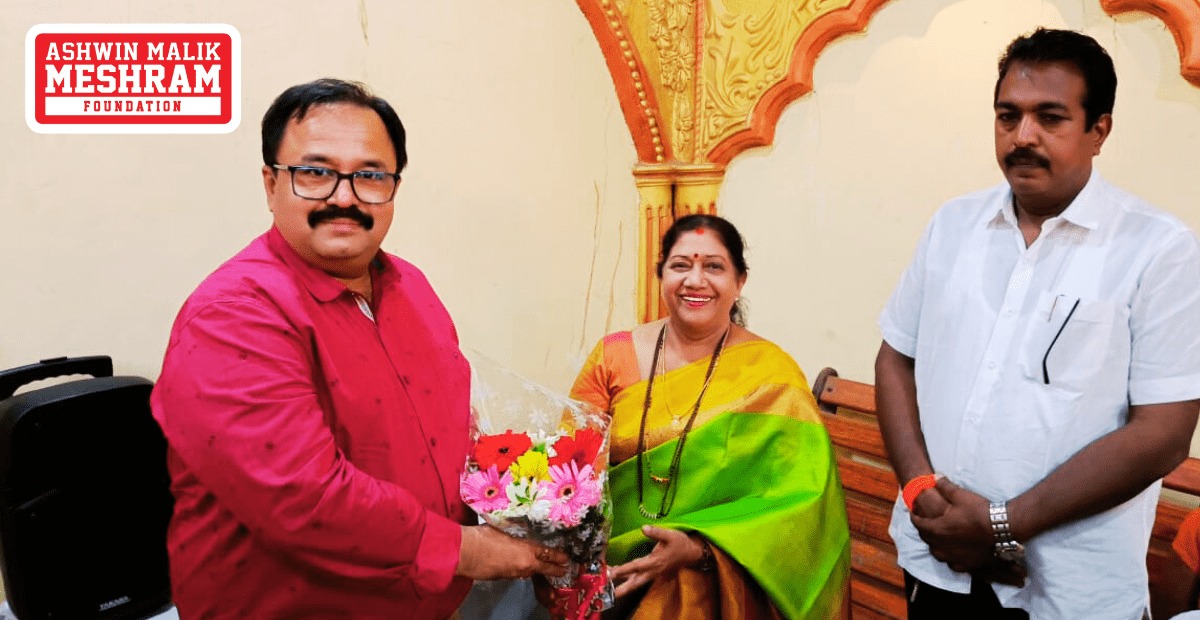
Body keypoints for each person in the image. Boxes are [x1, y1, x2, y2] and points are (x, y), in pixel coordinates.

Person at [151, 78, 567, 619]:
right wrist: (472, 551)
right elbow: (304, 499)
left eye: (369, 176)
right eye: (316, 172)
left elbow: (450, 433)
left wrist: (529, 511)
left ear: (393, 188)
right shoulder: (233, 314)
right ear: (271, 184)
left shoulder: (409, 286)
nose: (344, 197)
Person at [875, 28, 1200, 619]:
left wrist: (1002, 524)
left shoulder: (1158, 250)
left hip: (1069, 592)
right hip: (936, 559)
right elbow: (896, 356)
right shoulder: (952, 226)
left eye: (1050, 118)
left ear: (1099, 130)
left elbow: (1163, 432)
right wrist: (920, 489)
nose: (1023, 136)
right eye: (1008, 116)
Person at [569, 214, 850, 619]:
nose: (695, 280)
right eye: (680, 265)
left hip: (717, 584)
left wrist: (701, 549)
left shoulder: (771, 373)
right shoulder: (613, 355)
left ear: (740, 282)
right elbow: (571, 463)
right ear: (661, 275)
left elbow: (800, 504)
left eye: (714, 267)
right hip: (610, 568)